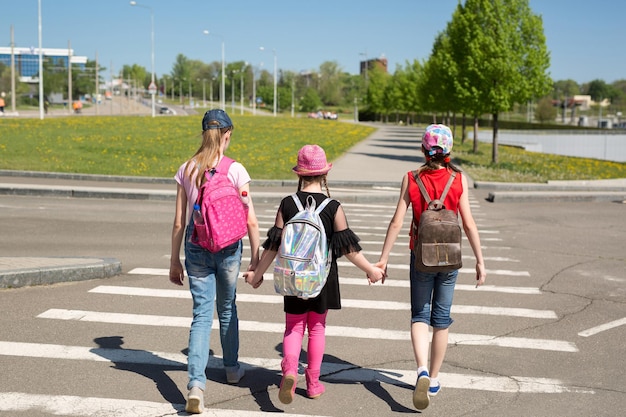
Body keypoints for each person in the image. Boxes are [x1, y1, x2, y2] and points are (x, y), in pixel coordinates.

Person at [243, 144, 385, 405]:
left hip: (293, 276)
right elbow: (349, 249)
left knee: (293, 327)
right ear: (324, 175)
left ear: (300, 174)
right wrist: (372, 270)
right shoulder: (333, 207)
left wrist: (256, 275)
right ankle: (314, 383)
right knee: (317, 328)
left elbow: (273, 247)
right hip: (323, 278)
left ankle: (288, 372)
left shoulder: (287, 204)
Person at [376, 124, 486, 411]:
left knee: (419, 315)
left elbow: (397, 222)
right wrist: (480, 261)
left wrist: (383, 259)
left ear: (423, 150)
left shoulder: (411, 179)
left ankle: (422, 370)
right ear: (449, 150)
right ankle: (434, 379)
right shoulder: (459, 179)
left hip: (421, 256)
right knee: (442, 319)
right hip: (450, 258)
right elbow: (470, 224)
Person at [168, 109, 260, 414]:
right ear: (228, 134)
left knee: (200, 315)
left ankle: (195, 385)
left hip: (196, 246)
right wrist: (257, 258)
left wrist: (174, 261)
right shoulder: (236, 170)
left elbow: (180, 222)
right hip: (229, 248)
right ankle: (232, 369)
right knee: (227, 307)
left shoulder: (186, 169)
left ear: (203, 133)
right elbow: (251, 220)